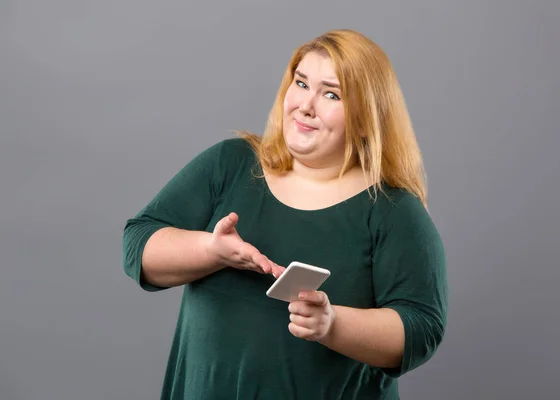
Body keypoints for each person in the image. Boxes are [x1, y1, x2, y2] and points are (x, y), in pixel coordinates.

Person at [122, 28, 448, 400]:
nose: (306, 105)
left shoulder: (392, 209)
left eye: (331, 94)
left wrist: (332, 324)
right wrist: (210, 252)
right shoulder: (231, 163)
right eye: (301, 83)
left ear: (366, 116)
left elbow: (422, 328)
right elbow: (138, 247)